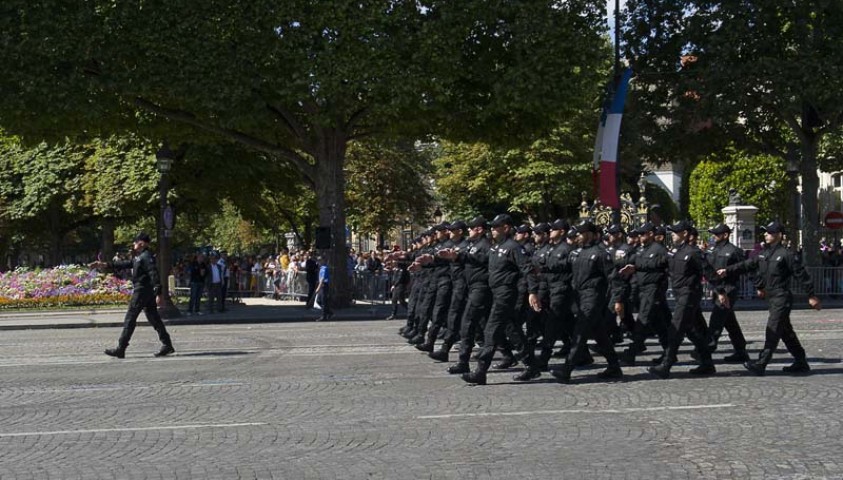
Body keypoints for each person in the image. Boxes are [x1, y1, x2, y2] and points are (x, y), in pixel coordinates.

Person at [719, 221, 821, 375]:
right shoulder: (764, 253)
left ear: (779, 235)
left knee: (772, 329)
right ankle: (801, 361)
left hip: (782, 297)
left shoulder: (787, 254)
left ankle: (761, 364)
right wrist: (727, 271)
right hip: (771, 297)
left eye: (770, 232)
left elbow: (801, 275)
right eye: (766, 232)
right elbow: (747, 265)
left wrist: (811, 295)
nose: (766, 235)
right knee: (786, 332)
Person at [462, 214, 538, 385]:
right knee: (513, 330)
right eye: (492, 227)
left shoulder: (514, 248)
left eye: (496, 227)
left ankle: (481, 371)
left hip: (507, 293)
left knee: (491, 331)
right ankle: (532, 365)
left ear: (506, 228)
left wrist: (532, 292)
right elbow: (480, 261)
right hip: (495, 293)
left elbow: (528, 269)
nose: (493, 230)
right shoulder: (496, 248)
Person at [551, 221, 622, 383]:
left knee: (580, 332)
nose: (577, 236)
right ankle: (614, 366)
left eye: (580, 233)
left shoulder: (601, 254)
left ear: (589, 234)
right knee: (600, 334)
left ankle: (567, 369)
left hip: (593, 297)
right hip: (579, 296)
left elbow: (614, 278)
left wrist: (618, 299)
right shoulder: (576, 253)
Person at [644, 220, 715, 379]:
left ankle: (666, 364)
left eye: (676, 232)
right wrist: (637, 264)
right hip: (679, 294)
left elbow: (708, 271)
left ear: (684, 234)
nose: (673, 235)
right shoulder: (674, 252)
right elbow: (659, 264)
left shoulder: (694, 252)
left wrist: (721, 291)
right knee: (690, 329)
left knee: (675, 329)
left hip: (689, 294)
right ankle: (707, 362)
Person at [92, 232, 174, 358]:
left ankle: (121, 348)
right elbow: (126, 264)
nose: (134, 244)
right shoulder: (140, 257)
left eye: (135, 242)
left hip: (142, 291)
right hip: (145, 291)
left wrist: (159, 293)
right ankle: (167, 344)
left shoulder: (146, 256)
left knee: (130, 318)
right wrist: (105, 264)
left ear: (141, 243)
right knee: (154, 318)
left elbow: (154, 273)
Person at [704, 223, 749, 362]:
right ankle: (741, 350)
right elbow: (707, 268)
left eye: (716, 234)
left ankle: (706, 350)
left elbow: (746, 266)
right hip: (717, 288)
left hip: (729, 288)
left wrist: (729, 270)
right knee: (729, 322)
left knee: (716, 321)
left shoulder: (734, 251)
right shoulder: (711, 249)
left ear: (725, 235)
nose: (713, 236)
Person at [314, 256, 333, 321]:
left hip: (324, 285)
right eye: (318, 260)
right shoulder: (321, 268)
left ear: (323, 260)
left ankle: (324, 316)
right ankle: (329, 312)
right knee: (319, 300)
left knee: (323, 301)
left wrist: (318, 288)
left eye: (320, 260)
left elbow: (322, 279)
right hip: (321, 285)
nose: (318, 262)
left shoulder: (324, 268)